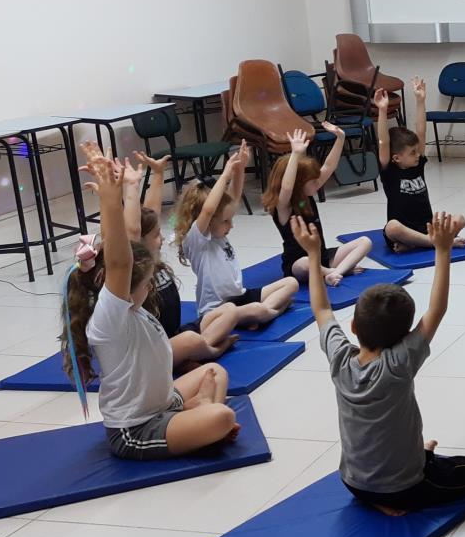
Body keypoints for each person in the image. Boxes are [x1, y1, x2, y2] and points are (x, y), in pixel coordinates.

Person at [297, 210, 465, 515]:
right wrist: (442, 250)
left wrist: (314, 255)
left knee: (424, 448)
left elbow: (322, 308)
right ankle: (395, 494)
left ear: (353, 326)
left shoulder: (340, 358)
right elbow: (437, 309)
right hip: (404, 488)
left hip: (351, 481)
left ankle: (413, 463)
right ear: (406, 335)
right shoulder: (399, 362)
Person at [63, 146, 238, 459]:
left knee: (214, 371)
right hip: (138, 427)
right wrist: (109, 198)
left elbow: (131, 241)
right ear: (123, 290)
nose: (150, 288)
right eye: (145, 284)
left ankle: (197, 415)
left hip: (164, 401)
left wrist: (131, 188)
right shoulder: (110, 319)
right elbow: (119, 261)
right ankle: (203, 418)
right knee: (222, 418)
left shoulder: (132, 308)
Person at [117, 148, 237, 366]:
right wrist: (130, 187)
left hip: (174, 334)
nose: (162, 239)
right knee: (191, 339)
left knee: (228, 311)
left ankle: (193, 352)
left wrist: (158, 174)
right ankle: (207, 350)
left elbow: (151, 214)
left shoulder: (155, 260)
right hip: (156, 348)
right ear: (139, 243)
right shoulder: (136, 265)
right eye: (156, 236)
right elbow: (134, 230)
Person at [176, 143, 299, 331]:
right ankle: (269, 312)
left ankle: (262, 313)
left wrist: (240, 169)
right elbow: (209, 209)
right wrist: (225, 174)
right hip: (217, 308)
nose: (231, 225)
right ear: (207, 222)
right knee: (258, 309)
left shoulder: (218, 231)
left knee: (291, 283)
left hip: (241, 296)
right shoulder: (197, 241)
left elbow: (233, 197)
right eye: (226, 221)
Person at [263, 126, 372, 284]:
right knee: (306, 263)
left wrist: (340, 139)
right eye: (313, 181)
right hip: (299, 264)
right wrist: (295, 154)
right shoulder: (283, 207)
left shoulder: (307, 193)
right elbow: (287, 186)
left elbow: (329, 166)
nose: (318, 183)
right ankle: (333, 272)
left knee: (365, 242)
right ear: (298, 183)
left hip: (322, 257)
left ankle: (335, 273)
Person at [375, 79, 465, 251]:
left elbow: (421, 131)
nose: (418, 155)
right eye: (412, 153)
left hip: (426, 227)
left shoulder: (417, 165)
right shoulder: (390, 171)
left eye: (417, 151)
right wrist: (382, 109)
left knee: (460, 219)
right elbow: (383, 141)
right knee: (392, 227)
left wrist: (420, 101)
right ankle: (434, 243)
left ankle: (416, 244)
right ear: (396, 158)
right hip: (404, 229)